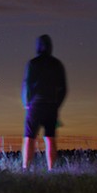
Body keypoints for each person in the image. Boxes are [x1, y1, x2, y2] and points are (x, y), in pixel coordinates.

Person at [21, 34, 67, 170]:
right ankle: (51, 169)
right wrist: (56, 104)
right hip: (51, 105)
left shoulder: (33, 63)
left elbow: (27, 84)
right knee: (50, 138)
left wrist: (26, 102)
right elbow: (63, 88)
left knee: (29, 138)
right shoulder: (57, 64)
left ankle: (26, 169)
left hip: (35, 105)